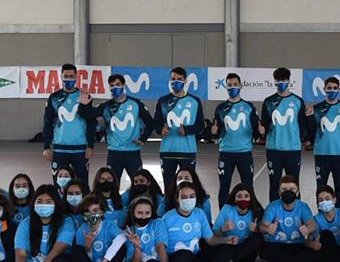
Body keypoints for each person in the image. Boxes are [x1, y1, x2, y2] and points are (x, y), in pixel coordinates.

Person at [10, 185, 76, 262]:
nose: (43, 205)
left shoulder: (66, 222)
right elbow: (20, 255)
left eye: (48, 201)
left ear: (56, 204)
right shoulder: (25, 224)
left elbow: (55, 252)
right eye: (39, 201)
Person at [161, 181, 236, 262]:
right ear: (177, 199)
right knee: (185, 255)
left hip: (196, 257)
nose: (188, 200)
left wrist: (226, 240)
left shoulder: (199, 214)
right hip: (178, 260)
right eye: (184, 197)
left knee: (228, 248)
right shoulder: (167, 218)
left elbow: (210, 240)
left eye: (192, 196)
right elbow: (160, 245)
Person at [85, 73, 154, 182]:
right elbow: (88, 114)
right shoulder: (106, 106)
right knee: (111, 185)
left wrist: (143, 139)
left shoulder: (136, 104)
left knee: (138, 184)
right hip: (114, 153)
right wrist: (84, 105)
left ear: (123, 85)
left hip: (133, 152)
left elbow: (150, 123)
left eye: (118, 84)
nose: (115, 87)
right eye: (112, 85)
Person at [211, 72, 262, 207]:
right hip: (226, 153)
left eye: (235, 84)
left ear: (240, 86)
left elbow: (257, 130)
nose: (232, 87)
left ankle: (250, 214)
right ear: (226, 87)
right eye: (229, 85)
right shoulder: (221, 108)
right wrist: (213, 133)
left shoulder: (249, 107)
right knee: (224, 186)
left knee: (248, 186)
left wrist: (260, 132)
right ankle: (223, 214)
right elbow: (216, 131)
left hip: (244, 153)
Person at [152, 66, 204, 194]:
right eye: (173, 79)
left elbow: (201, 125)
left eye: (179, 79)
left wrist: (187, 130)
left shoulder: (195, 101)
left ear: (185, 80)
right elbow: (156, 123)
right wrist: (160, 130)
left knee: (189, 188)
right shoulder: (163, 101)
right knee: (168, 188)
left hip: (187, 151)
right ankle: (169, 207)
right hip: (167, 151)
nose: (176, 82)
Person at [306, 77, 340, 208]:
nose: (332, 90)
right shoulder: (316, 108)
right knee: (321, 188)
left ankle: (339, 213)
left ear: (339, 89)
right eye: (329, 88)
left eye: (335, 88)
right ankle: (321, 215)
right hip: (321, 155)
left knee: (339, 188)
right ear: (324, 89)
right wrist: (309, 118)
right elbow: (311, 133)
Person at [253, 176, 320, 262]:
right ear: (279, 192)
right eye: (284, 189)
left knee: (314, 253)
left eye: (292, 189)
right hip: (276, 245)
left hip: (297, 245)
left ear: (297, 192)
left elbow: (312, 224)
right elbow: (261, 226)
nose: (288, 192)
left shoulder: (302, 206)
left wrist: (308, 229)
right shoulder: (272, 206)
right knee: (265, 251)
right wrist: (267, 228)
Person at [42, 63, 95, 186]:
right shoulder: (54, 97)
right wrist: (46, 146)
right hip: (59, 148)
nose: (69, 79)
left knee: (82, 184)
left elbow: (91, 122)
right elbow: (47, 122)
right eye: (66, 76)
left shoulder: (84, 96)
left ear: (76, 77)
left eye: (71, 76)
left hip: (80, 148)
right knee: (59, 184)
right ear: (61, 77)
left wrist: (91, 145)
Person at [261, 67, 306, 202]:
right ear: (274, 81)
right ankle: (273, 212)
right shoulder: (268, 101)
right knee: (274, 184)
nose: (281, 83)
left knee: (294, 184)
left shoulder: (298, 101)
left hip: (293, 149)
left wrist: (304, 140)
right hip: (273, 149)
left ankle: (297, 211)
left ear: (289, 81)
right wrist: (261, 130)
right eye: (278, 80)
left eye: (284, 80)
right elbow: (264, 124)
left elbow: (302, 124)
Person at [211, 183, 265, 262]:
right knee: (225, 250)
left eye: (246, 196)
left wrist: (257, 229)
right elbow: (214, 234)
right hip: (229, 246)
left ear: (251, 198)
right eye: (239, 196)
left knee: (256, 238)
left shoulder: (256, 210)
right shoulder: (227, 209)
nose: (243, 199)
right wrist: (223, 229)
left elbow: (264, 233)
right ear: (234, 199)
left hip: (246, 251)